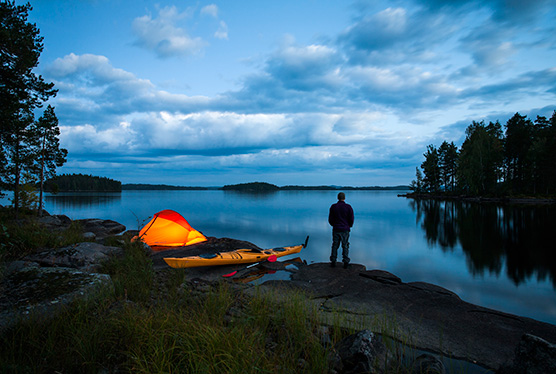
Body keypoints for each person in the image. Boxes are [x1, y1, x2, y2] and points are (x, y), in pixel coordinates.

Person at [328, 192, 354, 269]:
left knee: (335, 245)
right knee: (345, 245)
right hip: (345, 229)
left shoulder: (333, 207)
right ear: (344, 198)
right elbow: (351, 218)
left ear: (337, 198)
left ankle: (333, 261)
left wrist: (333, 224)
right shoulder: (348, 207)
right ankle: (345, 262)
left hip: (336, 228)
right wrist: (349, 225)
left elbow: (330, 219)